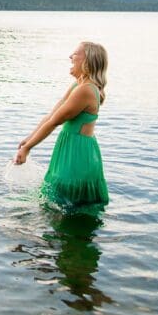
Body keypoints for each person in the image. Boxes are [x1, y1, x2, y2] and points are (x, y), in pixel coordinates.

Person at [14, 41, 109, 210]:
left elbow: (54, 122)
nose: (70, 57)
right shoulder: (78, 85)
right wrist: (28, 139)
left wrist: (28, 148)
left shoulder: (85, 90)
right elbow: (51, 115)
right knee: (62, 204)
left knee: (67, 205)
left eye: (75, 54)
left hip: (77, 154)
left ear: (87, 61)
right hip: (73, 149)